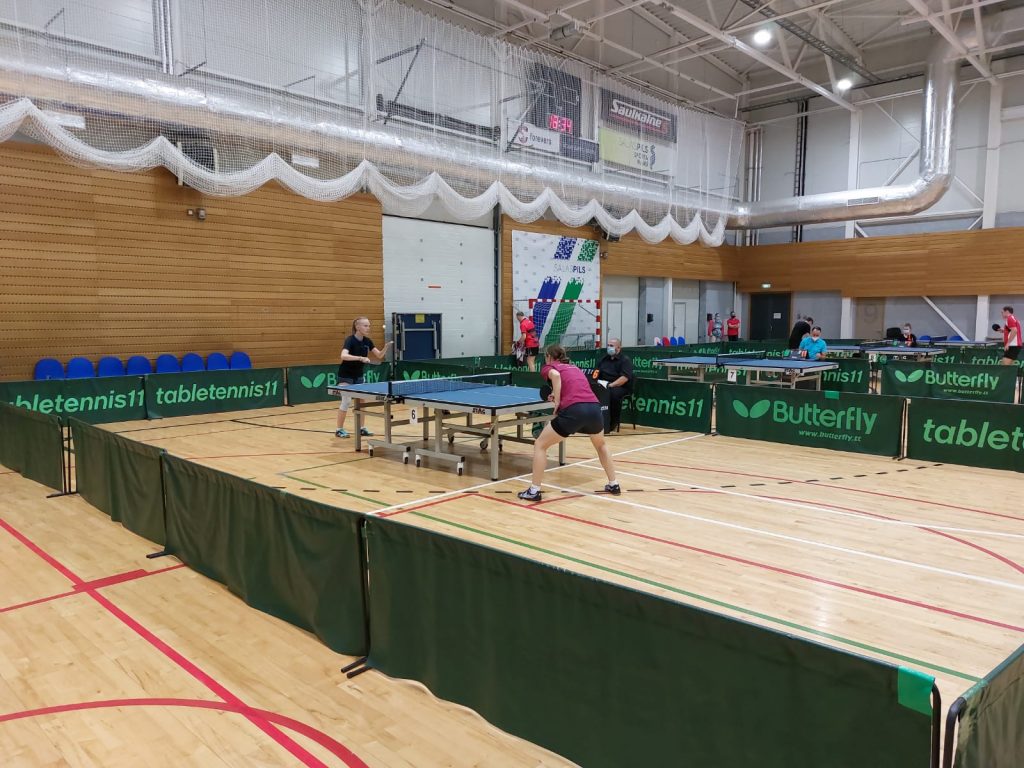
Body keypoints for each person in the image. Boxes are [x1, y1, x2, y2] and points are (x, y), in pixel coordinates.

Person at [518, 344, 620, 502]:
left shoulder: (548, 367)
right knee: (601, 445)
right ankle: (614, 484)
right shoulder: (575, 368)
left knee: (540, 445)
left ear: (549, 357)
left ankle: (534, 491)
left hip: (574, 411)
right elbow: (573, 386)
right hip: (594, 408)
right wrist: (556, 393)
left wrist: (558, 401)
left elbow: (556, 376)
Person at [335, 317, 391, 438]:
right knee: (346, 401)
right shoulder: (350, 340)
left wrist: (386, 347)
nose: (368, 328)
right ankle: (339, 429)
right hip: (346, 376)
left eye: (369, 326)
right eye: (365, 326)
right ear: (357, 327)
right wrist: (360, 358)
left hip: (359, 376)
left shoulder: (367, 341)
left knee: (362, 401)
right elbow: (343, 356)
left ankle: (361, 428)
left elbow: (379, 355)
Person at [594, 338, 634, 434]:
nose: (609, 347)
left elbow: (624, 378)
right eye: (608, 345)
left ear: (618, 348)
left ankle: (613, 422)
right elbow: (596, 372)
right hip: (604, 384)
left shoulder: (625, 360)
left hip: (620, 387)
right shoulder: (603, 359)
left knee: (613, 394)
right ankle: (594, 420)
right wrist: (595, 382)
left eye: (611, 346)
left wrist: (611, 385)